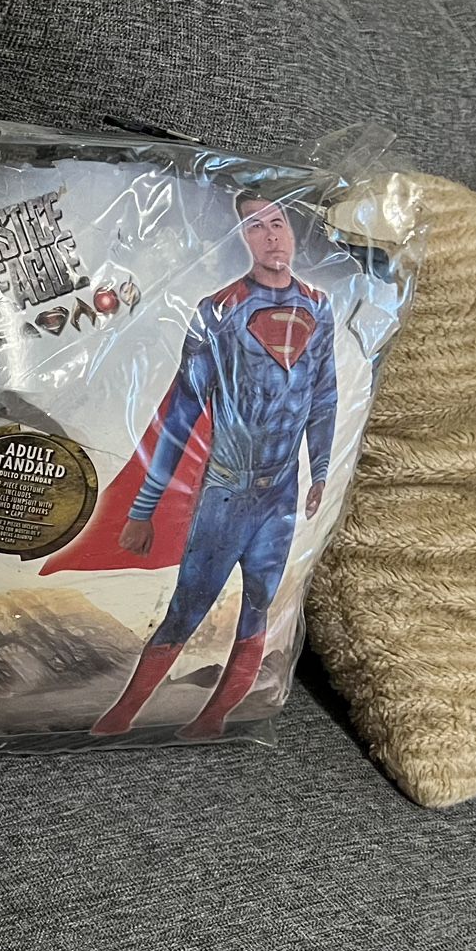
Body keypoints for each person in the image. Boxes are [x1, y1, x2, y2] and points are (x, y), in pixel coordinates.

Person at [88, 192, 337, 739]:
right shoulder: (218, 311)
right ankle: (120, 717)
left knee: (259, 607)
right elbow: (181, 413)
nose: (271, 235)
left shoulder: (320, 306)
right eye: (255, 226)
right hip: (226, 492)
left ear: (292, 231)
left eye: (277, 222)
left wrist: (320, 471)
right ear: (240, 239)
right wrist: (143, 510)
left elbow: (324, 396)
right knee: (187, 608)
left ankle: (216, 717)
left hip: (281, 495)